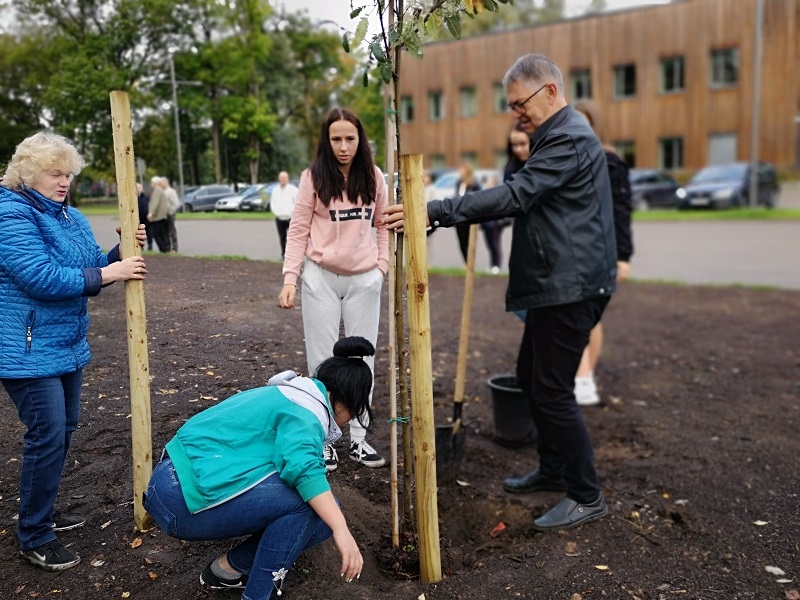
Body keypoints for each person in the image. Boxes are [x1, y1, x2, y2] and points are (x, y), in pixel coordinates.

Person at [383, 53, 618, 532]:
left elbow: (516, 195)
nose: (517, 113)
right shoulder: (556, 136)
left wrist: (435, 210)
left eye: (520, 103)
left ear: (550, 91)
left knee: (551, 390)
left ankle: (585, 494)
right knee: (531, 378)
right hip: (559, 285)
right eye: (511, 106)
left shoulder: (568, 139)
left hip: (570, 289)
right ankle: (553, 469)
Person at [0, 131, 148, 571]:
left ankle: (42, 509)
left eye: (68, 174)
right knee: (47, 433)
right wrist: (111, 272)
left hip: (64, 345)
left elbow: (92, 268)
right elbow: (42, 278)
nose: (64, 182)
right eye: (54, 173)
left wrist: (124, 250)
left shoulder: (69, 216)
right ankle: (34, 535)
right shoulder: (11, 214)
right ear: (29, 173)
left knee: (62, 431)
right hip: (24, 349)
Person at [143, 336, 371, 598]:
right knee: (311, 507)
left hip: (168, 480)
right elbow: (303, 469)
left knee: (328, 512)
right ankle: (259, 595)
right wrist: (342, 531)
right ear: (348, 402)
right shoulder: (307, 413)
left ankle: (227, 570)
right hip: (181, 499)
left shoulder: (288, 393)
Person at [279, 107, 389, 472]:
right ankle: (323, 439)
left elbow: (384, 225)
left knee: (362, 360)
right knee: (322, 360)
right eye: (336, 139)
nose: (343, 147)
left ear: (361, 140)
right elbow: (297, 230)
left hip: (363, 280)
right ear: (326, 141)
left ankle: (358, 438)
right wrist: (290, 279)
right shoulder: (313, 178)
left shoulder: (373, 178)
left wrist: (381, 270)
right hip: (320, 278)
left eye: (350, 139)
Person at [573, 100, 634, 406]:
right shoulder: (568, 158)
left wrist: (624, 256)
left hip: (602, 249)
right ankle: (579, 373)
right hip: (574, 249)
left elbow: (622, 211)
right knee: (574, 312)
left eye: (584, 121)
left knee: (590, 315)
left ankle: (585, 376)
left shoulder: (609, 161)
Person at [453, 163, 482, 265]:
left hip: (469, 218)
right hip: (459, 218)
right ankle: (467, 263)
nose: (460, 172)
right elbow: (456, 197)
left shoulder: (474, 184)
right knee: (461, 242)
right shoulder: (459, 183)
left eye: (462, 170)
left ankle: (471, 263)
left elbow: (479, 198)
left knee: (469, 242)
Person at [270, 171, 299, 258]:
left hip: (290, 218)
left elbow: (297, 202)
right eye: (281, 178)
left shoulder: (293, 190)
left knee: (293, 238)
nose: (283, 179)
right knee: (282, 237)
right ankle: (284, 255)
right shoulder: (275, 190)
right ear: (279, 179)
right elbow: (273, 203)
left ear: (287, 179)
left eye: (284, 178)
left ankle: (294, 255)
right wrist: (277, 213)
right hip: (279, 218)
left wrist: (291, 212)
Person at [147, 176, 170, 252]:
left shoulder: (157, 190)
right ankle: (165, 248)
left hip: (157, 217)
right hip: (162, 216)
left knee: (156, 234)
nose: (151, 184)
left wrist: (151, 213)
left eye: (152, 182)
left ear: (155, 183)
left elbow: (155, 203)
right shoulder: (161, 190)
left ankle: (163, 249)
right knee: (161, 233)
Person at [162, 176, 180, 253]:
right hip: (163, 215)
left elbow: (175, 203)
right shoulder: (162, 191)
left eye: (162, 182)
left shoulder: (171, 191)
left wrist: (170, 211)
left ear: (166, 182)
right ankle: (167, 248)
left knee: (172, 231)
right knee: (165, 232)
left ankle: (174, 248)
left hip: (170, 214)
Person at [136, 182, 153, 251]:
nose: (138, 189)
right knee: (140, 233)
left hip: (146, 218)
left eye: (139, 188)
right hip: (138, 218)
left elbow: (151, 206)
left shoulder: (146, 197)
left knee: (149, 232)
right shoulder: (134, 198)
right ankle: (141, 246)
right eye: (137, 188)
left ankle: (150, 246)